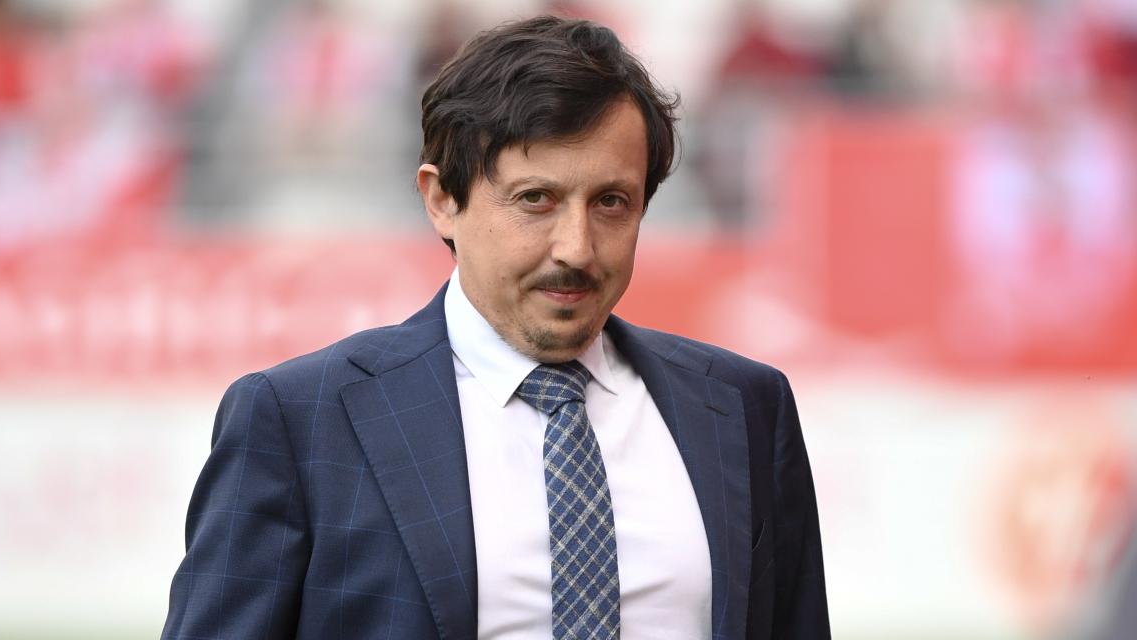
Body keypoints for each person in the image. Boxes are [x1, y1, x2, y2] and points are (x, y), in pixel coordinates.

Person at [162, 15, 829, 640]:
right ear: (441, 199)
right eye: (536, 199)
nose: (576, 247)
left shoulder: (745, 408)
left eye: (611, 202)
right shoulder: (300, 421)